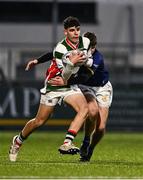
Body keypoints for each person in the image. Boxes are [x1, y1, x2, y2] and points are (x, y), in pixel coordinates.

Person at [9, 16, 92, 162]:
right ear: (65, 32)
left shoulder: (85, 41)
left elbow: (85, 60)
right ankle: (18, 141)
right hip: (55, 84)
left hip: (70, 85)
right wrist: (71, 64)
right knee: (39, 121)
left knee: (84, 109)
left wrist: (87, 62)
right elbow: (63, 76)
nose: (76, 33)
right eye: (72, 30)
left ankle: (67, 143)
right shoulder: (60, 49)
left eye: (78, 29)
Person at [49, 32, 113, 162]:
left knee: (100, 128)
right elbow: (56, 54)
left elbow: (85, 76)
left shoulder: (97, 58)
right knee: (92, 110)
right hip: (85, 86)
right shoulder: (77, 50)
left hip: (102, 88)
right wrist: (37, 60)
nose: (90, 50)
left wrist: (66, 81)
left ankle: (89, 147)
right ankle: (86, 139)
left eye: (92, 47)